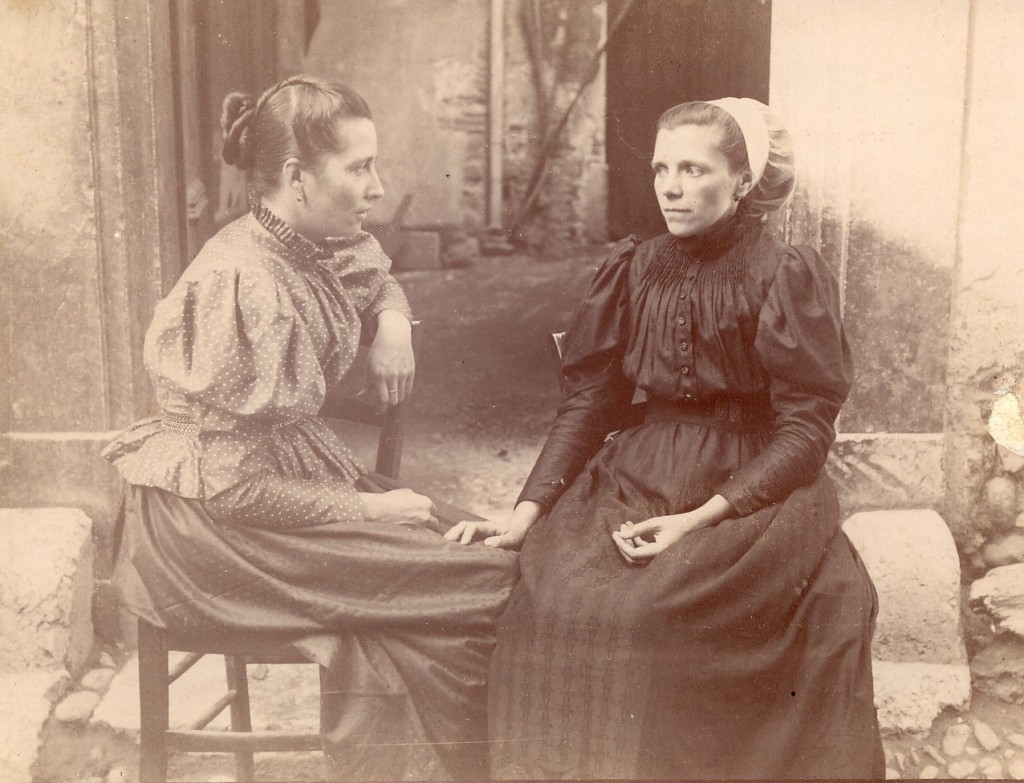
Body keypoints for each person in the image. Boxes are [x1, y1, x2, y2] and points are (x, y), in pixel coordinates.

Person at [447, 98, 885, 779]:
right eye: (660, 169)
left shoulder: (785, 272)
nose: (671, 187)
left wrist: (701, 519)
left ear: (741, 183)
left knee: (654, 614)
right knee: (552, 596)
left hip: (751, 487)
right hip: (638, 472)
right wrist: (524, 512)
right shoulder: (635, 267)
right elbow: (591, 401)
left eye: (692, 169)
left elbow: (805, 430)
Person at [103, 75, 517, 781]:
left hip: (277, 494)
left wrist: (393, 323)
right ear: (297, 177)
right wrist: (368, 506)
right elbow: (233, 489)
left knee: (473, 542)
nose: (379, 188)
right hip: (211, 534)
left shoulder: (311, 239)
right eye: (360, 168)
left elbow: (374, 274)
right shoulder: (245, 281)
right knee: (479, 578)